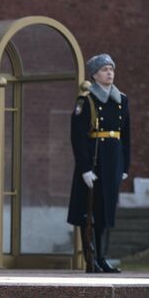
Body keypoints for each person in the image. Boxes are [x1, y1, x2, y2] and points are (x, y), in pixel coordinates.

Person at [67, 54, 130, 273]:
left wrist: (125, 166)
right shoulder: (86, 100)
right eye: (104, 69)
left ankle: (103, 257)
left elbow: (125, 136)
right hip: (93, 162)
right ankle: (91, 258)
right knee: (89, 212)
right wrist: (84, 168)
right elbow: (78, 136)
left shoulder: (121, 99)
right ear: (94, 74)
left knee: (106, 211)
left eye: (111, 69)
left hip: (113, 162)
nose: (109, 73)